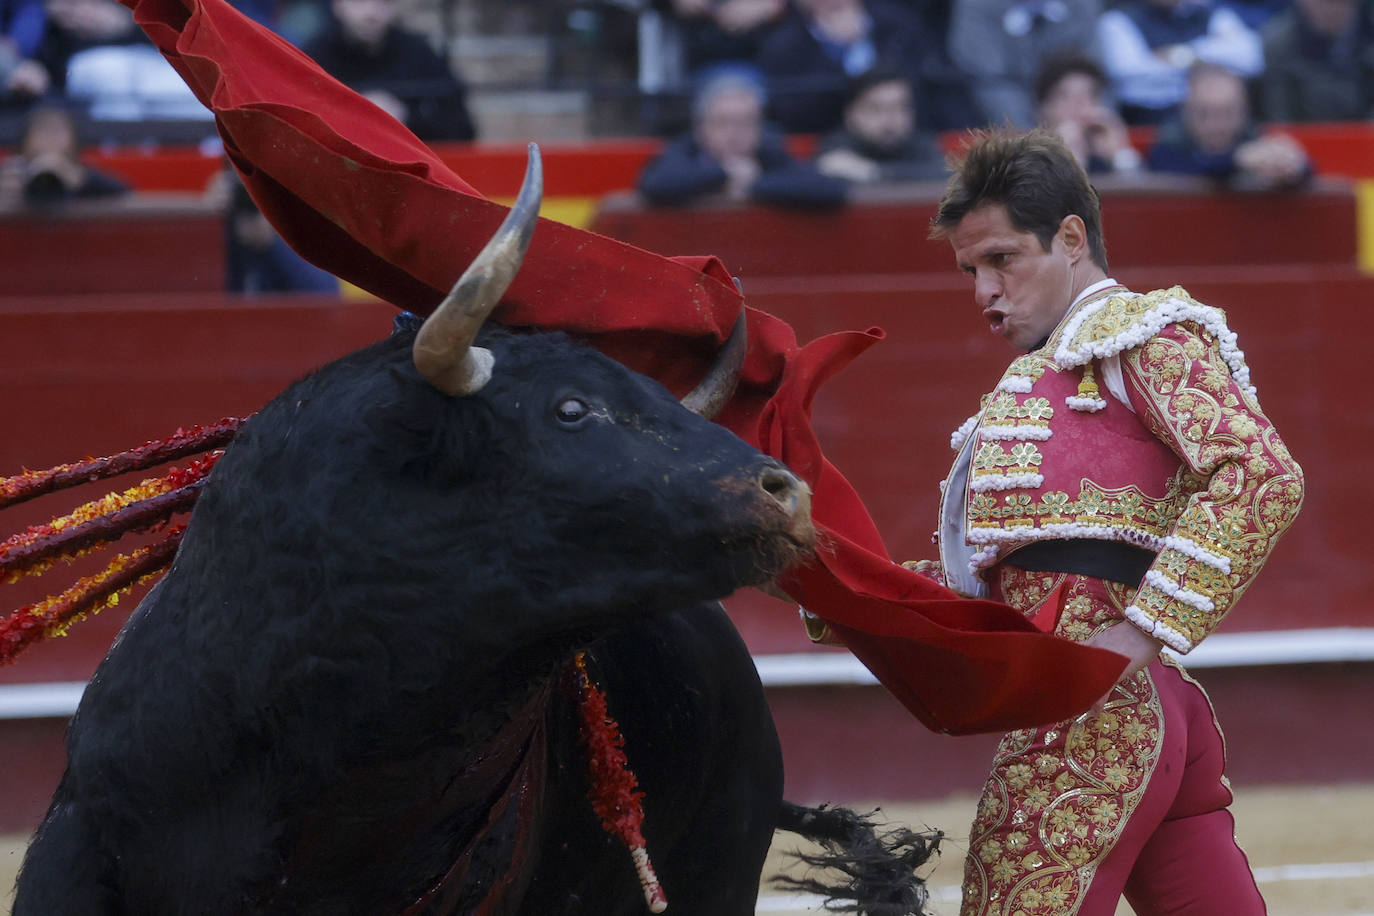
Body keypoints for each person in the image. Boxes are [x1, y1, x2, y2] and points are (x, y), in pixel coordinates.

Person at [916, 128, 1303, 914]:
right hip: (1150, 716)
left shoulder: (1141, 337)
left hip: (1090, 719)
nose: (984, 292)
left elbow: (1262, 475)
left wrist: (1140, 631)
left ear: (1070, 238)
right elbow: (999, 584)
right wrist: (827, 580)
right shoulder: (1055, 377)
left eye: (1001, 260)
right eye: (970, 270)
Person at [637, 68, 847, 207]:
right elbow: (655, 184)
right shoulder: (684, 149)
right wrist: (723, 174)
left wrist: (755, 183)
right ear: (701, 126)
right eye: (722, 122)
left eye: (745, 122)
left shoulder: (768, 153)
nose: (733, 133)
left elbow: (828, 190)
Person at [302, 0, 475, 142]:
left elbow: (462, 129)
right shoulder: (315, 55)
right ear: (337, 5)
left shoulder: (418, 52)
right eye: (359, 2)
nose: (371, 13)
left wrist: (405, 118)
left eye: (383, 2)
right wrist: (352, 114)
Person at [1148, 62, 1311, 189]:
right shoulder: (1168, 147)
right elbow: (1185, 170)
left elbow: (1308, 172)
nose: (1217, 125)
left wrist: (1291, 165)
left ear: (1245, 111)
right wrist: (1239, 159)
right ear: (1186, 112)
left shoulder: (1255, 138)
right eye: (1204, 114)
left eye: (1228, 112)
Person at [1096, 0, 1263, 124]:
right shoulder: (1118, 20)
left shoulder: (1211, 14)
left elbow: (1251, 59)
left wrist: (1182, 55)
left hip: (1212, 118)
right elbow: (1130, 76)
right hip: (1151, 121)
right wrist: (1210, 63)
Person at [946, 0, 1102, 128]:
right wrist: (1034, 136)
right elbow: (988, 78)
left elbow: (1093, 71)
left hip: (1066, 106)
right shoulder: (977, 5)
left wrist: (1087, 116)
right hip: (1006, 112)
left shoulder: (1083, 5)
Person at [813, 66, 946, 183]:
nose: (890, 120)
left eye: (900, 108)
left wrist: (874, 173)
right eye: (875, 109)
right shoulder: (837, 148)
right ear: (851, 115)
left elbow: (943, 175)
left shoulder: (922, 144)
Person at [1255, 0, 1374, 123]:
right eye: (1325, 2)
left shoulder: (1368, 36)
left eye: (1341, 2)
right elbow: (1277, 117)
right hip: (1297, 137)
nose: (1333, 10)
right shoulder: (1275, 44)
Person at [0, 101, 128, 207]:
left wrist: (83, 180)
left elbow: (127, 194)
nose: (50, 139)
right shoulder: (13, 173)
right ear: (24, 142)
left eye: (57, 131)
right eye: (42, 131)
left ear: (73, 140)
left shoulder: (81, 174)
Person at [1034, 52, 1143, 174]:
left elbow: (1140, 189)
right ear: (1045, 108)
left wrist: (1119, 152)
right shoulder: (1025, 161)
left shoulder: (1105, 152)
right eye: (1065, 97)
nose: (1078, 106)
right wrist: (1066, 157)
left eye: (1088, 96)